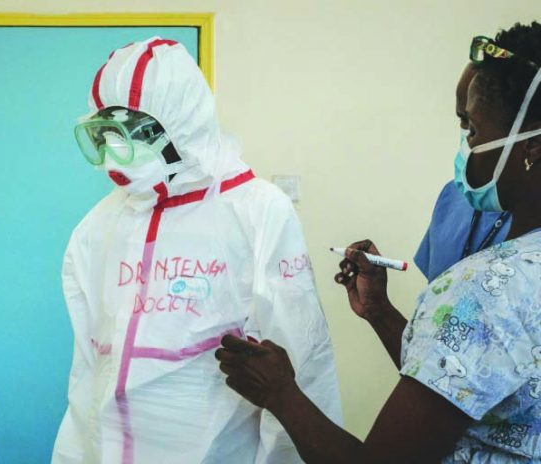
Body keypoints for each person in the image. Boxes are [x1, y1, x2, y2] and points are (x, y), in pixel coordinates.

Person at [216, 22, 541, 463]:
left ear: (532, 147)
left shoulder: (486, 292)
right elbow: (465, 376)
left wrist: (281, 394)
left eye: (474, 132)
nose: (465, 149)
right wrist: (379, 313)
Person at [52, 37, 342, 464]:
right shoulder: (102, 224)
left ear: (182, 122)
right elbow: (87, 367)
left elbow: (301, 361)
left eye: (133, 130)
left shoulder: (255, 211)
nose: (116, 152)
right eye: (106, 132)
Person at [415, 65, 512, 283]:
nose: (466, 138)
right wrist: (378, 308)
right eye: (462, 120)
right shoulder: (454, 196)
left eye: (474, 126)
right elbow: (437, 314)